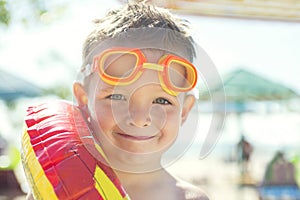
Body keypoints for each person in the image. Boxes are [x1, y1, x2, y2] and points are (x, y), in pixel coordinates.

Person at [26, 0, 209, 199]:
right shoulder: (56, 190)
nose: (139, 119)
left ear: (184, 111)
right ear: (83, 99)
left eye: (162, 101)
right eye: (117, 97)